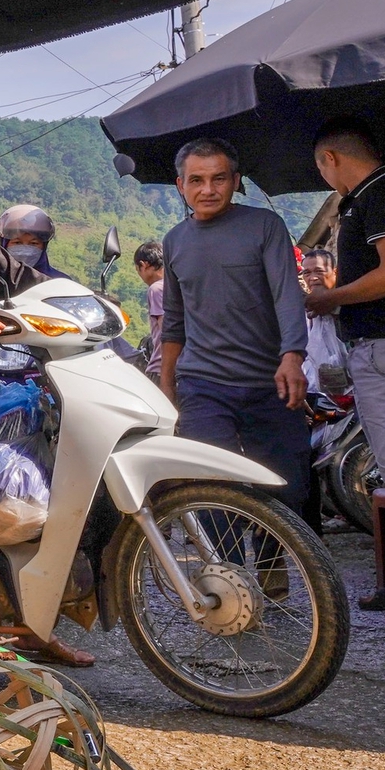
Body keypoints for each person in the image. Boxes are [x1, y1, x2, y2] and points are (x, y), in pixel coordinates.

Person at [159, 138, 310, 515]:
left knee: (286, 490)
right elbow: (174, 321)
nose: (207, 190)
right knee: (211, 489)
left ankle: (271, 570)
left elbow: (286, 295)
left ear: (235, 181)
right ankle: (221, 572)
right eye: (196, 180)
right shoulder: (175, 241)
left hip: (269, 381)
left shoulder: (264, 226)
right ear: (181, 185)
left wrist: (292, 357)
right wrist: (167, 382)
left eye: (218, 179)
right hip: (203, 384)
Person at [306, 122, 385, 510]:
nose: (325, 178)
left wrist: (331, 299)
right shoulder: (363, 198)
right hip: (371, 344)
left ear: (330, 158)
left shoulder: (383, 190)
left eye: (321, 169)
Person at [298, 248, 347, 395]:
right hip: (317, 392)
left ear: (335, 272)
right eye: (307, 273)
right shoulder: (305, 311)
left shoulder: (350, 305)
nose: (312, 278)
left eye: (319, 271)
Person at [134, 241, 166, 378]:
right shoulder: (175, 285)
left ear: (144, 265)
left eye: (138, 269)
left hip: (162, 367)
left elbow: (167, 329)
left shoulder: (156, 289)